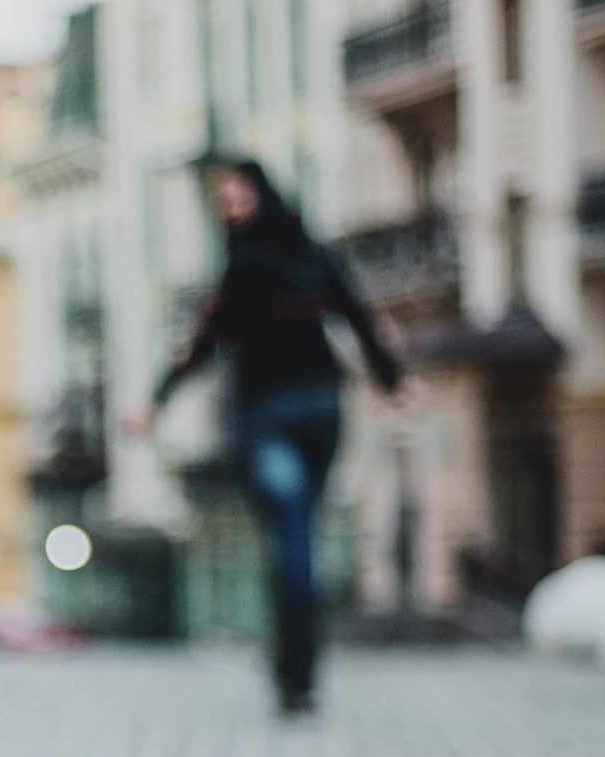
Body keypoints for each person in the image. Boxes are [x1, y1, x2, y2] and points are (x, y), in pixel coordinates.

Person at [131, 159, 412, 716]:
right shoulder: (297, 256)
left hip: (296, 414)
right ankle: (297, 670)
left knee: (293, 539)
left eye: (238, 192)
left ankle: (296, 669)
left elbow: (352, 314)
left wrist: (393, 379)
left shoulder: (263, 262)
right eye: (223, 197)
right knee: (295, 538)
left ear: (262, 193)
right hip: (289, 412)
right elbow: (208, 342)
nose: (230, 204)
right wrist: (392, 380)